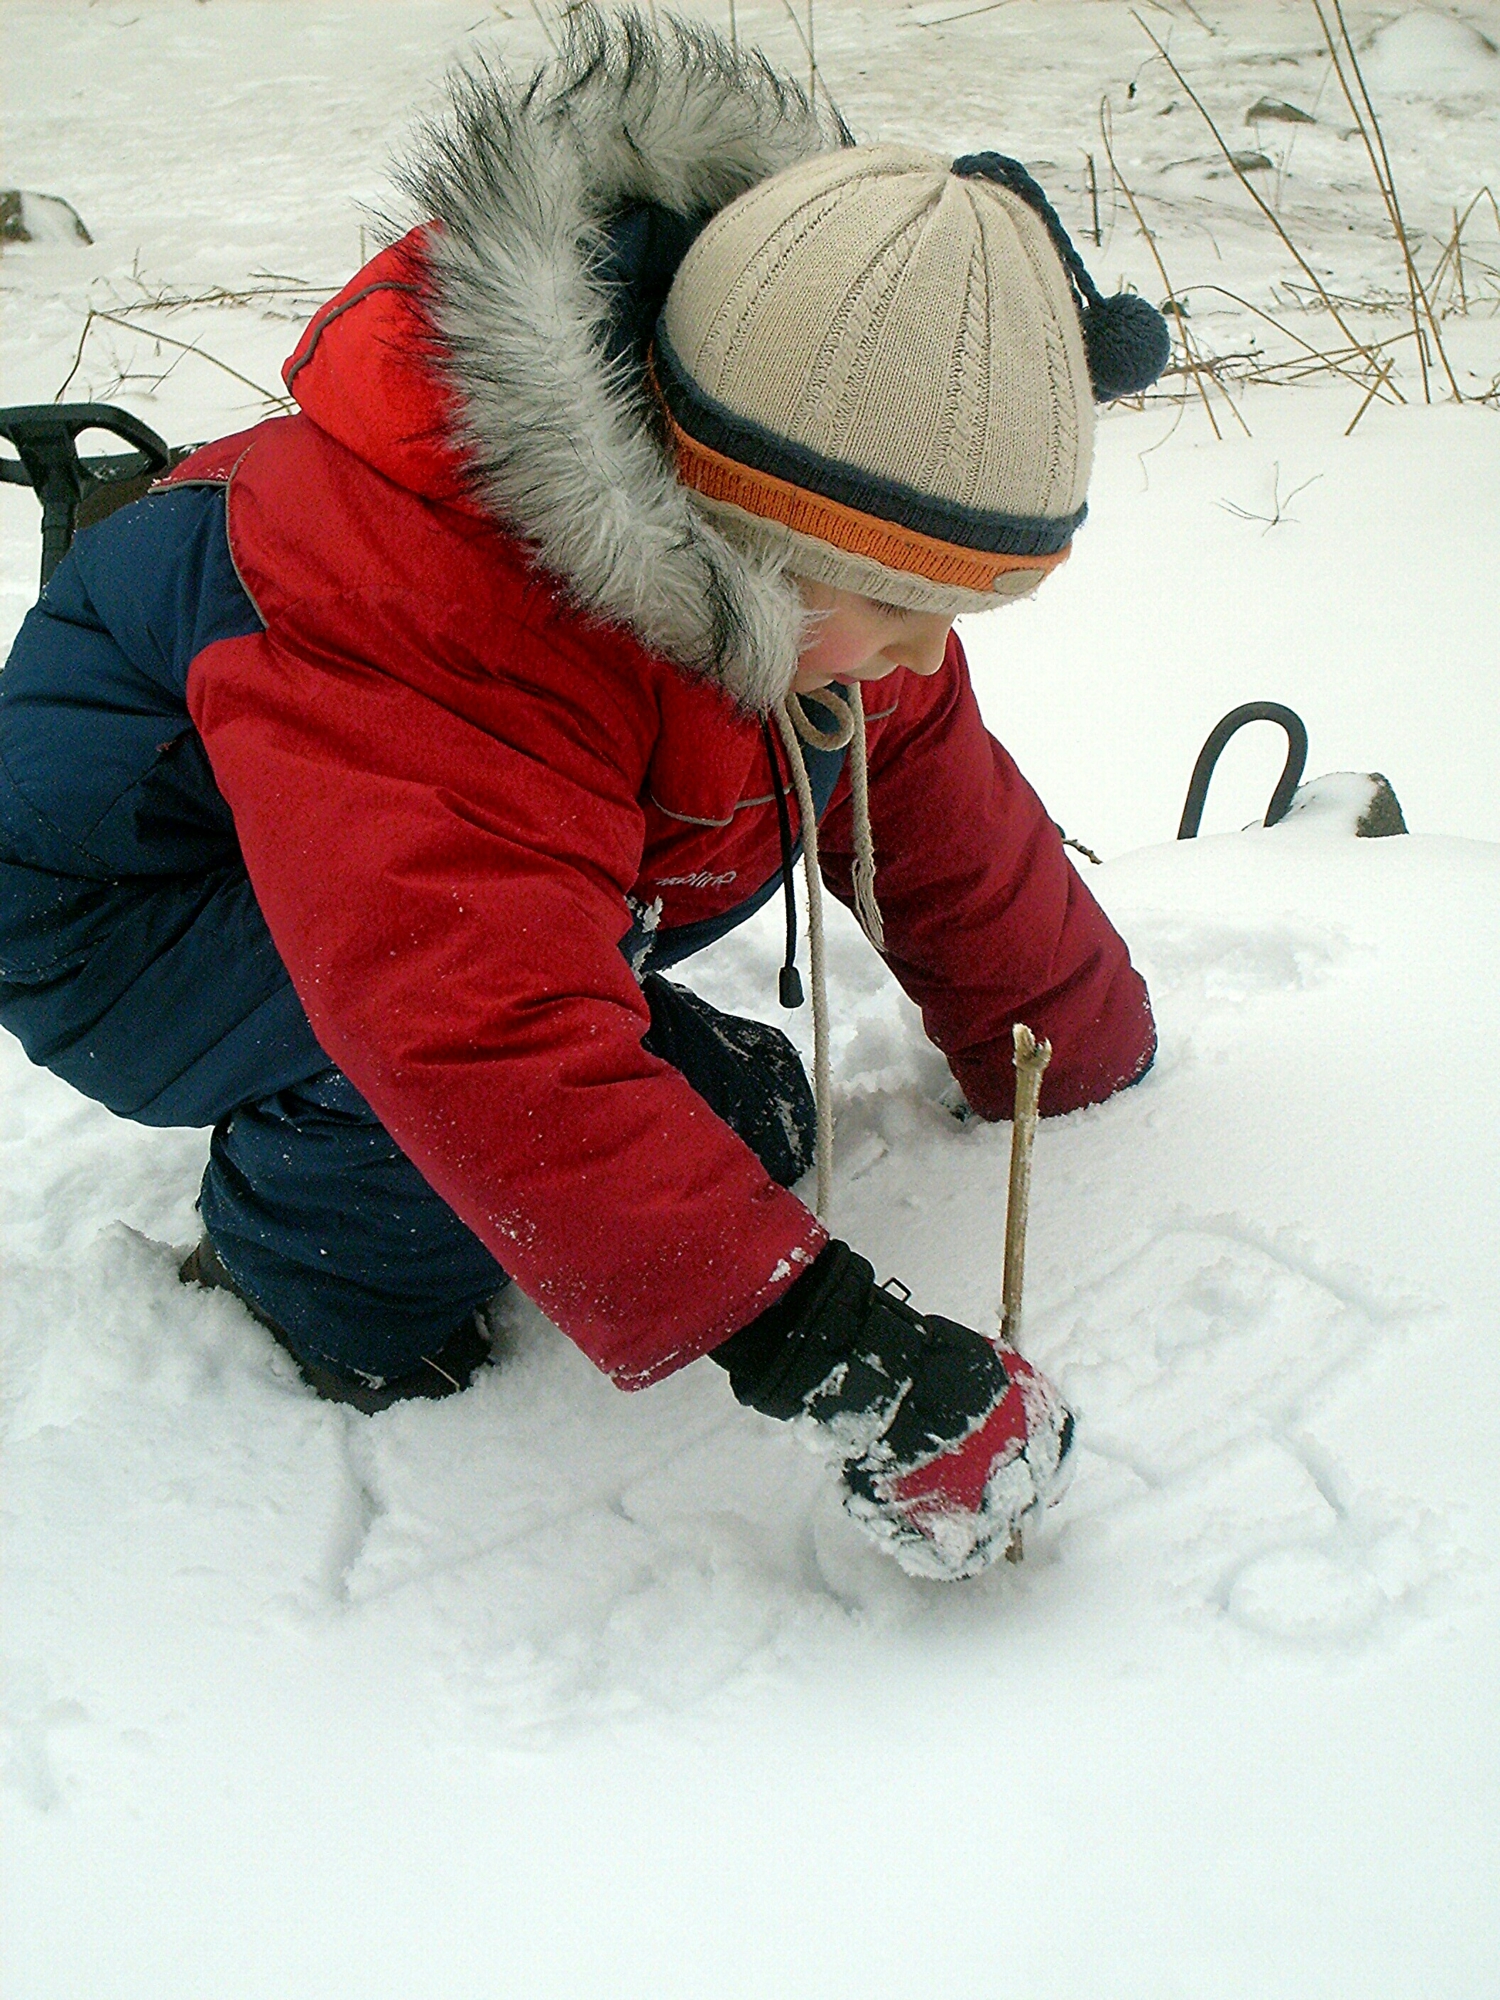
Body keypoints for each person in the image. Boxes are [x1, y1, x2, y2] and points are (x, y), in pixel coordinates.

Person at [0, 6, 1167, 1581]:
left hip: (404, 881)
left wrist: (1078, 1058)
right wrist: (830, 1344)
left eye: (947, 615)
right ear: (736, 516)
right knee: (439, 1120)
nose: (911, 657)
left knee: (739, 1118)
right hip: (126, 920)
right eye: (889, 607)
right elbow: (466, 1013)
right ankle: (312, 1279)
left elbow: (939, 806)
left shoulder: (797, 596)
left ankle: (519, 1138)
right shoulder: (434, 596)